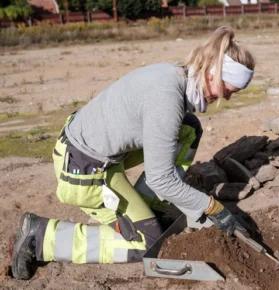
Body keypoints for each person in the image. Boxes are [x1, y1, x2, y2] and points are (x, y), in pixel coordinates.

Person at [11, 26, 255, 280]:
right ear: (214, 73)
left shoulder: (176, 77)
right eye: (230, 89)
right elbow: (161, 176)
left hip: (99, 154)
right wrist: (213, 208)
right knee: (145, 242)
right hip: (85, 169)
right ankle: (40, 236)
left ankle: (153, 203)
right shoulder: (166, 98)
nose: (227, 97)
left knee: (188, 128)